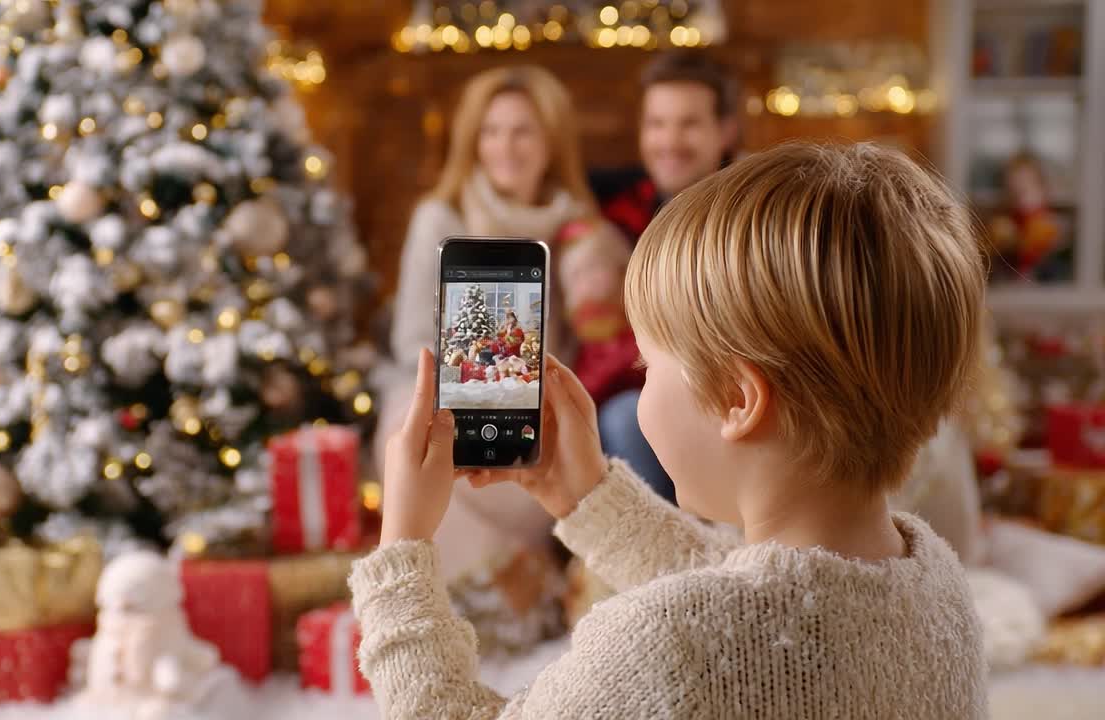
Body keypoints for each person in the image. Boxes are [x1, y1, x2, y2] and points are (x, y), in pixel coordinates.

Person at [355, 142, 987, 718]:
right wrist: (588, 499)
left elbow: (708, 630)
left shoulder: (663, 647)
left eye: (647, 363)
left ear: (739, 400)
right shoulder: (937, 587)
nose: (637, 381)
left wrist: (402, 553)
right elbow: (758, 604)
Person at [373, 66, 628, 585]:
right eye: (491, 131)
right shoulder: (440, 216)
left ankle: (519, 581)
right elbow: (411, 338)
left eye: (522, 131)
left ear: (550, 141)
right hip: (456, 389)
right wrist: (472, 384)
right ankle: (489, 585)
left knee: (555, 438)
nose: (504, 147)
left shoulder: (580, 227)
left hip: (541, 399)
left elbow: (596, 344)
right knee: (405, 424)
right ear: (473, 142)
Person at [585, 51, 741, 504]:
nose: (669, 140)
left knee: (623, 418)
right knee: (613, 415)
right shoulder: (623, 206)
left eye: (688, 123)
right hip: (644, 391)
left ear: (725, 131)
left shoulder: (748, 217)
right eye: (657, 123)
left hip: (725, 392)